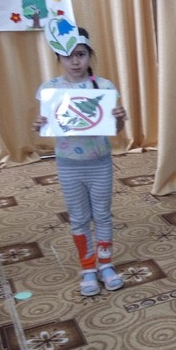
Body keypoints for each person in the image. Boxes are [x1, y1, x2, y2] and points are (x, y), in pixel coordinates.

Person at [33, 18, 128, 297]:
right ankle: (87, 268)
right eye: (68, 56)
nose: (75, 61)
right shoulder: (51, 89)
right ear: (58, 58)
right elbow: (47, 126)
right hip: (68, 165)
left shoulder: (104, 87)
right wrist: (39, 124)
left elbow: (115, 130)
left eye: (81, 54)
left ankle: (106, 264)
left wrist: (120, 119)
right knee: (78, 218)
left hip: (99, 163)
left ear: (89, 55)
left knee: (102, 215)